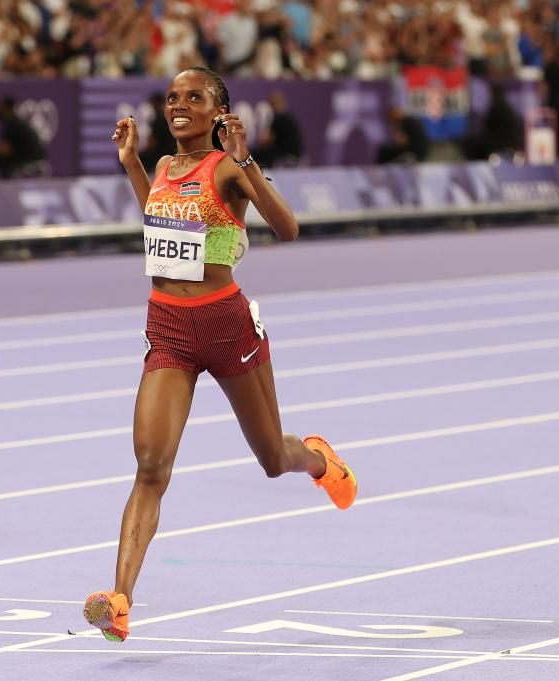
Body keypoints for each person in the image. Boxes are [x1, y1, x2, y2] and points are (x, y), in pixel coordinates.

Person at [83, 67, 357, 642]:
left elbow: (288, 228)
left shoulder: (227, 167)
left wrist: (246, 160)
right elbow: (161, 220)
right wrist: (133, 165)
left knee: (273, 458)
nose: (179, 105)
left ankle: (319, 460)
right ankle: (120, 598)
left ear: (218, 111)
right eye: (172, 97)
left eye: (194, 97)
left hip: (227, 325)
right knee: (151, 467)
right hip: (168, 327)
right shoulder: (163, 166)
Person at [0, 96, 47, 180]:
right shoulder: (13, 122)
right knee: (1, 160)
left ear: (7, 108)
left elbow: (5, 150)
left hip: (29, 158)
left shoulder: (12, 123)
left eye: (0, 107)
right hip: (29, 157)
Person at [252, 90, 303, 168]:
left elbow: (267, 140)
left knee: (253, 155)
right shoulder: (289, 117)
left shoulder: (278, 118)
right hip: (295, 153)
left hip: (284, 154)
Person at [139, 91, 177, 174]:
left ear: (156, 103)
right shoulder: (169, 117)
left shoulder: (157, 119)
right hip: (174, 152)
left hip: (161, 154)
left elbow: (152, 143)